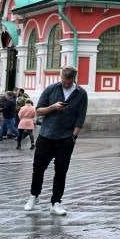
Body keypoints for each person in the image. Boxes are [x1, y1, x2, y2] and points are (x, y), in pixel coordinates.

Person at [23, 67, 89, 216]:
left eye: (68, 82)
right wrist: (53, 107)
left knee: (61, 171)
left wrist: (73, 137)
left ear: (74, 79)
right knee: (38, 168)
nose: (65, 84)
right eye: (63, 81)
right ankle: (34, 196)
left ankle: (56, 202)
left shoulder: (81, 94)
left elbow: (80, 117)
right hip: (46, 136)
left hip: (66, 139)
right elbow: (38, 110)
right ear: (61, 77)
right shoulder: (51, 89)